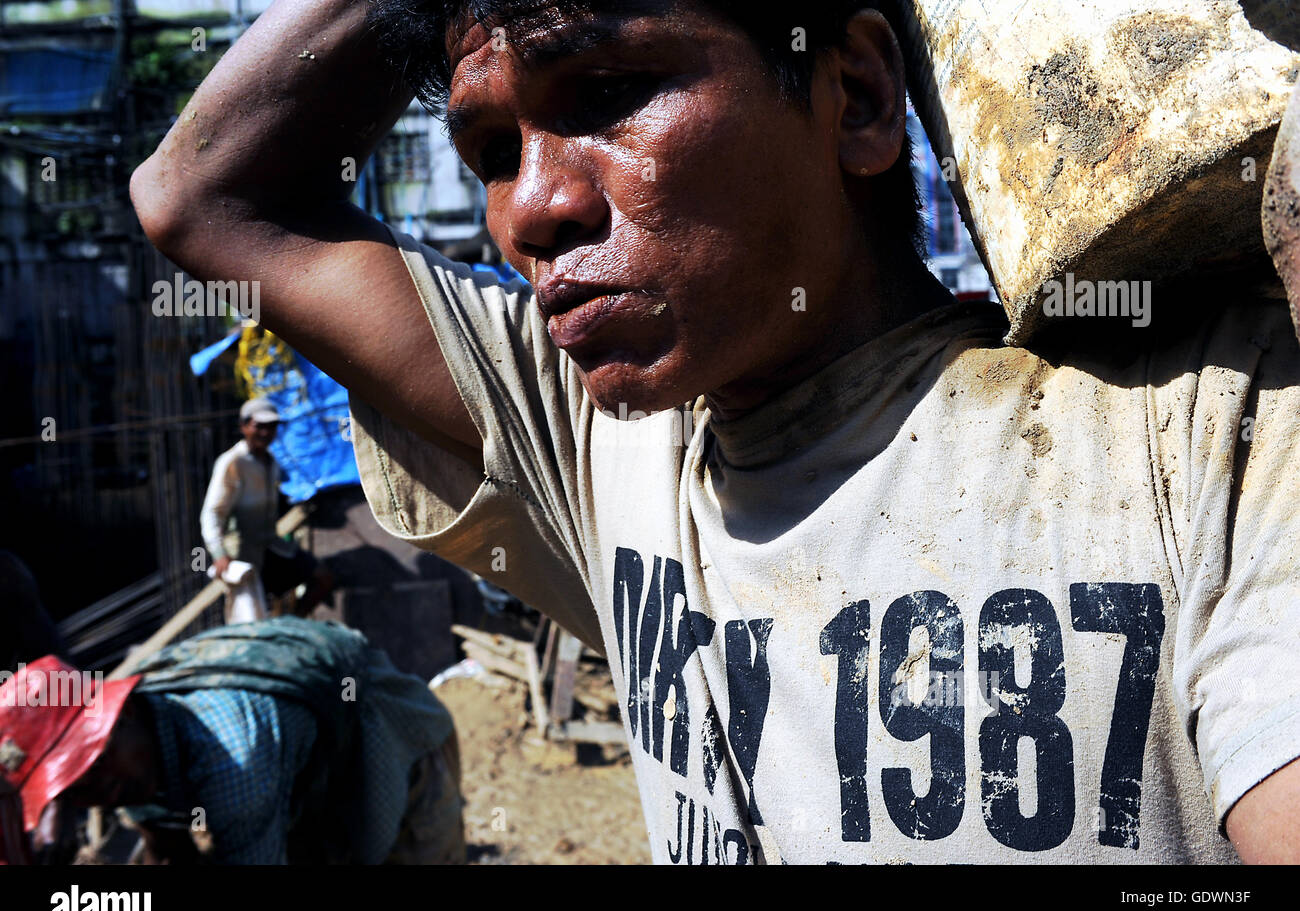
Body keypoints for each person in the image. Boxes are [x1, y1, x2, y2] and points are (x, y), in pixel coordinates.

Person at [130, 1, 1300, 863]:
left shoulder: (1207, 421)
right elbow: (199, 196)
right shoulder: (595, 444)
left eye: (608, 93)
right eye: (492, 153)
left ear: (856, 94)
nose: (532, 208)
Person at [0, 618, 465, 864]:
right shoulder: (131, 764)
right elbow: (167, 851)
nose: (97, 792)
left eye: (93, 766)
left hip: (395, 733)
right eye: (74, 787)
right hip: (305, 769)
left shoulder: (233, 758)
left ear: (119, 719)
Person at [200, 397, 334, 620]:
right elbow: (212, 512)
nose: (265, 433)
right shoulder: (233, 462)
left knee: (322, 577)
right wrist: (219, 553)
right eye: (259, 426)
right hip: (243, 554)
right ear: (244, 426)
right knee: (250, 617)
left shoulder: (271, 462)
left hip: (271, 546)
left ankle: (293, 624)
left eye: (271, 427)